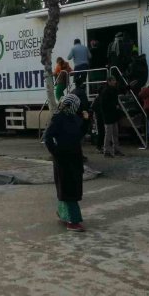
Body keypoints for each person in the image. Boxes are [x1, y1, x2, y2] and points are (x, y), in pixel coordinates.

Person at [43, 94, 86, 232]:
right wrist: (56, 152)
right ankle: (73, 222)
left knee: (69, 187)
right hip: (63, 160)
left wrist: (86, 121)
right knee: (69, 189)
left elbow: (79, 135)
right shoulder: (58, 119)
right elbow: (48, 137)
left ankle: (63, 213)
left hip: (74, 158)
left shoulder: (73, 118)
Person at [100, 76, 124, 157]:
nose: (115, 82)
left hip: (112, 115)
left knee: (114, 133)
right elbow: (104, 105)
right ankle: (107, 151)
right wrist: (114, 106)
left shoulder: (111, 90)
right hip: (109, 115)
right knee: (109, 134)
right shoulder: (106, 91)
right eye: (113, 80)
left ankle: (115, 149)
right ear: (109, 81)